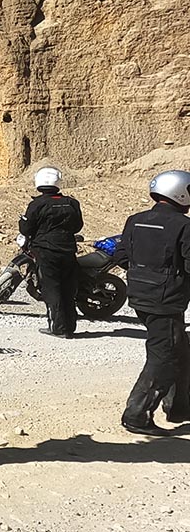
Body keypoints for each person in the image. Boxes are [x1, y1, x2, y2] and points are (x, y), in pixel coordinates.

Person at [115, 170, 190, 436]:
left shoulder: (135, 220)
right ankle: (136, 415)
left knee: (180, 349)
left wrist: (146, 274)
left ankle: (179, 408)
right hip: (166, 302)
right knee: (164, 357)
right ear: (180, 192)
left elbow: (122, 256)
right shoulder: (184, 226)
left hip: (140, 297)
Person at [19, 167, 84, 338]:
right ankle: (69, 327)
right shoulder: (71, 203)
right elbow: (78, 226)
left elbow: (26, 228)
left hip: (45, 251)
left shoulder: (37, 204)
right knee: (68, 288)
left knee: (51, 288)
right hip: (68, 250)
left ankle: (58, 328)